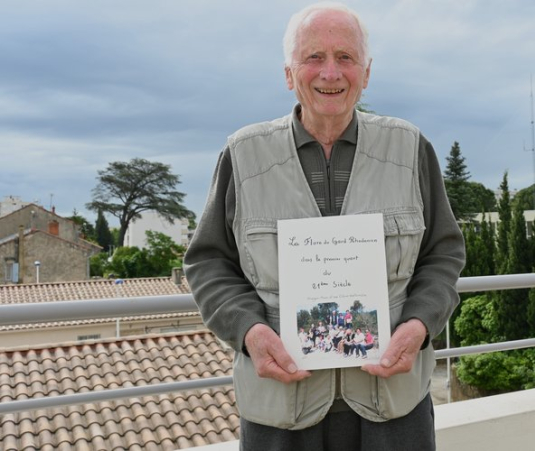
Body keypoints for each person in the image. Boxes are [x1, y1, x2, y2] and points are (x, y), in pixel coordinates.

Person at [183, 2, 465, 450]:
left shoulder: (410, 148)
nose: (330, 73)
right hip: (280, 411)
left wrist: (420, 324)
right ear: (289, 73)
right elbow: (208, 262)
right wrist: (248, 330)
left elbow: (443, 254)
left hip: (393, 410)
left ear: (366, 71)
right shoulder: (243, 154)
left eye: (345, 58)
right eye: (314, 57)